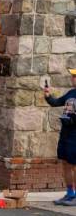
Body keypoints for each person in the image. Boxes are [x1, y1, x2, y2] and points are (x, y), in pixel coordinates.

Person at [44, 70, 76, 206]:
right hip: (66, 134)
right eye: (73, 76)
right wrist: (47, 96)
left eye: (75, 77)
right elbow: (56, 102)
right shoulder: (71, 93)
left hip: (75, 135)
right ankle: (70, 193)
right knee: (65, 163)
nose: (72, 78)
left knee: (73, 165)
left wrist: (73, 121)